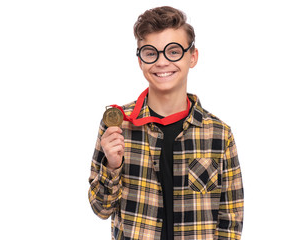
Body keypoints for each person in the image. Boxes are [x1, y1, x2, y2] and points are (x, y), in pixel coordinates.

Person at [88, 6, 244, 240]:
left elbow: (230, 221)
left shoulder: (219, 134)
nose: (162, 62)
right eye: (151, 53)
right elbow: (101, 209)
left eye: (173, 51)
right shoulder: (117, 125)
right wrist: (111, 166)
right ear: (140, 61)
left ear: (193, 57)